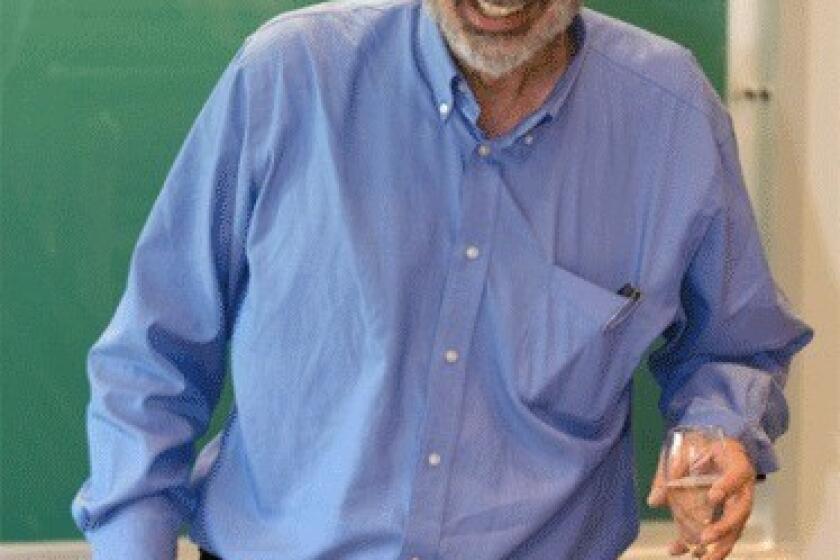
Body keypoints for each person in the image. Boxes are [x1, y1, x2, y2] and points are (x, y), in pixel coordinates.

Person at [71, 0, 813, 558]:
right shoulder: (288, 77)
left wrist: (720, 431)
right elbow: (152, 360)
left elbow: (734, 345)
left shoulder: (670, 114)